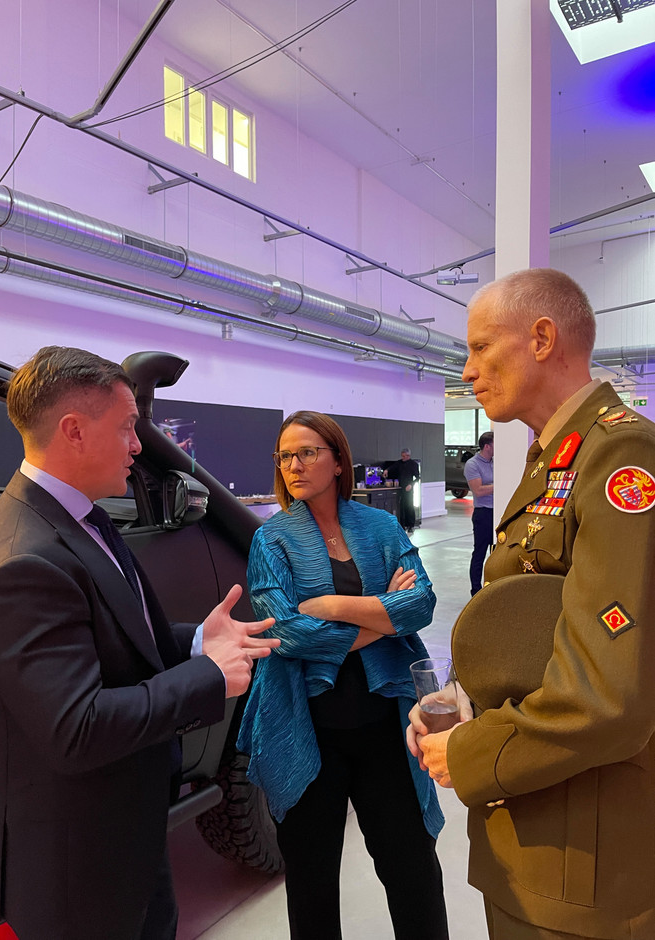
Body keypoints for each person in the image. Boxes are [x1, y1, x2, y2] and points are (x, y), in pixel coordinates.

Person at [0, 346, 279, 940]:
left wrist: (192, 641)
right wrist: (209, 674)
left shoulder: (74, 517)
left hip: (122, 830)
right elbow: (77, 728)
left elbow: (110, 640)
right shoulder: (21, 561)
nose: (138, 445)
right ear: (73, 431)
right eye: (128, 428)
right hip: (77, 866)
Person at [407, 268, 655, 939]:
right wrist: (462, 697)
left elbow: (608, 695)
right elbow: (527, 622)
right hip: (532, 822)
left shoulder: (619, 454)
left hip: (582, 850)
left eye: (481, 347)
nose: (468, 370)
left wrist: (466, 753)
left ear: (541, 337)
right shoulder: (555, 459)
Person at [237, 411, 448, 940]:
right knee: (311, 886)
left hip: (387, 726)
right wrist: (383, 616)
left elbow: (420, 601)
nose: (294, 465)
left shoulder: (377, 525)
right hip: (307, 731)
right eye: (284, 455)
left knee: (413, 872)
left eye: (307, 452)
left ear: (338, 461)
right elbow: (284, 633)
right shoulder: (273, 540)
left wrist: (332, 603)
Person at [463, 430, 494, 595]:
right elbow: (478, 490)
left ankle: (494, 587)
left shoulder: (495, 462)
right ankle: (476, 590)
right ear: (487, 446)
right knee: (480, 553)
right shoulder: (472, 464)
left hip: (497, 512)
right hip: (483, 514)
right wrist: (500, 484)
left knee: (496, 553)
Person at [383, 447, 420, 532]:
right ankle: (402, 525)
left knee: (409, 506)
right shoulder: (399, 463)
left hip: (409, 488)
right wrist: (386, 470)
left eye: (404, 456)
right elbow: (392, 467)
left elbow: (417, 478)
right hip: (400, 487)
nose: (403, 458)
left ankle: (411, 525)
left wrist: (411, 484)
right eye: (402, 456)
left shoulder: (413, 464)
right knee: (401, 506)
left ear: (408, 456)